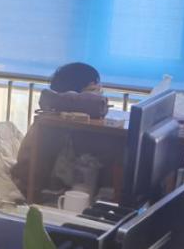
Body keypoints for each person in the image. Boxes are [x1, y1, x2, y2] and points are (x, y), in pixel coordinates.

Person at [10, 62, 109, 199]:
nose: (100, 92)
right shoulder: (58, 124)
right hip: (35, 190)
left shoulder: (59, 115)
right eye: (95, 88)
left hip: (37, 185)